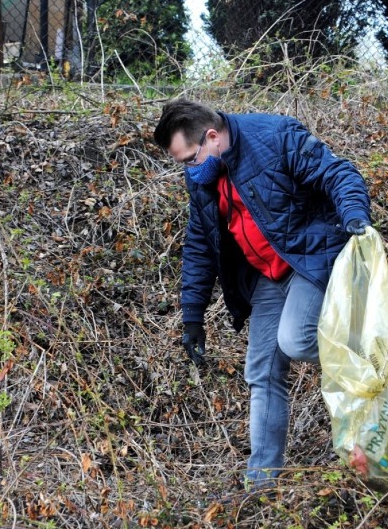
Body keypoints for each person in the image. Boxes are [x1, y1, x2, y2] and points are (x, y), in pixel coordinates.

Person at [153, 99, 372, 492]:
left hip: (310, 258)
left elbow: (337, 173)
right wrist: (192, 315)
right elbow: (200, 243)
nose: (188, 168)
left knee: (295, 339)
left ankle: (372, 364)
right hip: (267, 275)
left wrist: (354, 214)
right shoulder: (203, 176)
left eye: (189, 158)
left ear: (213, 136)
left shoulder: (274, 136)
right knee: (262, 372)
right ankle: (261, 484)